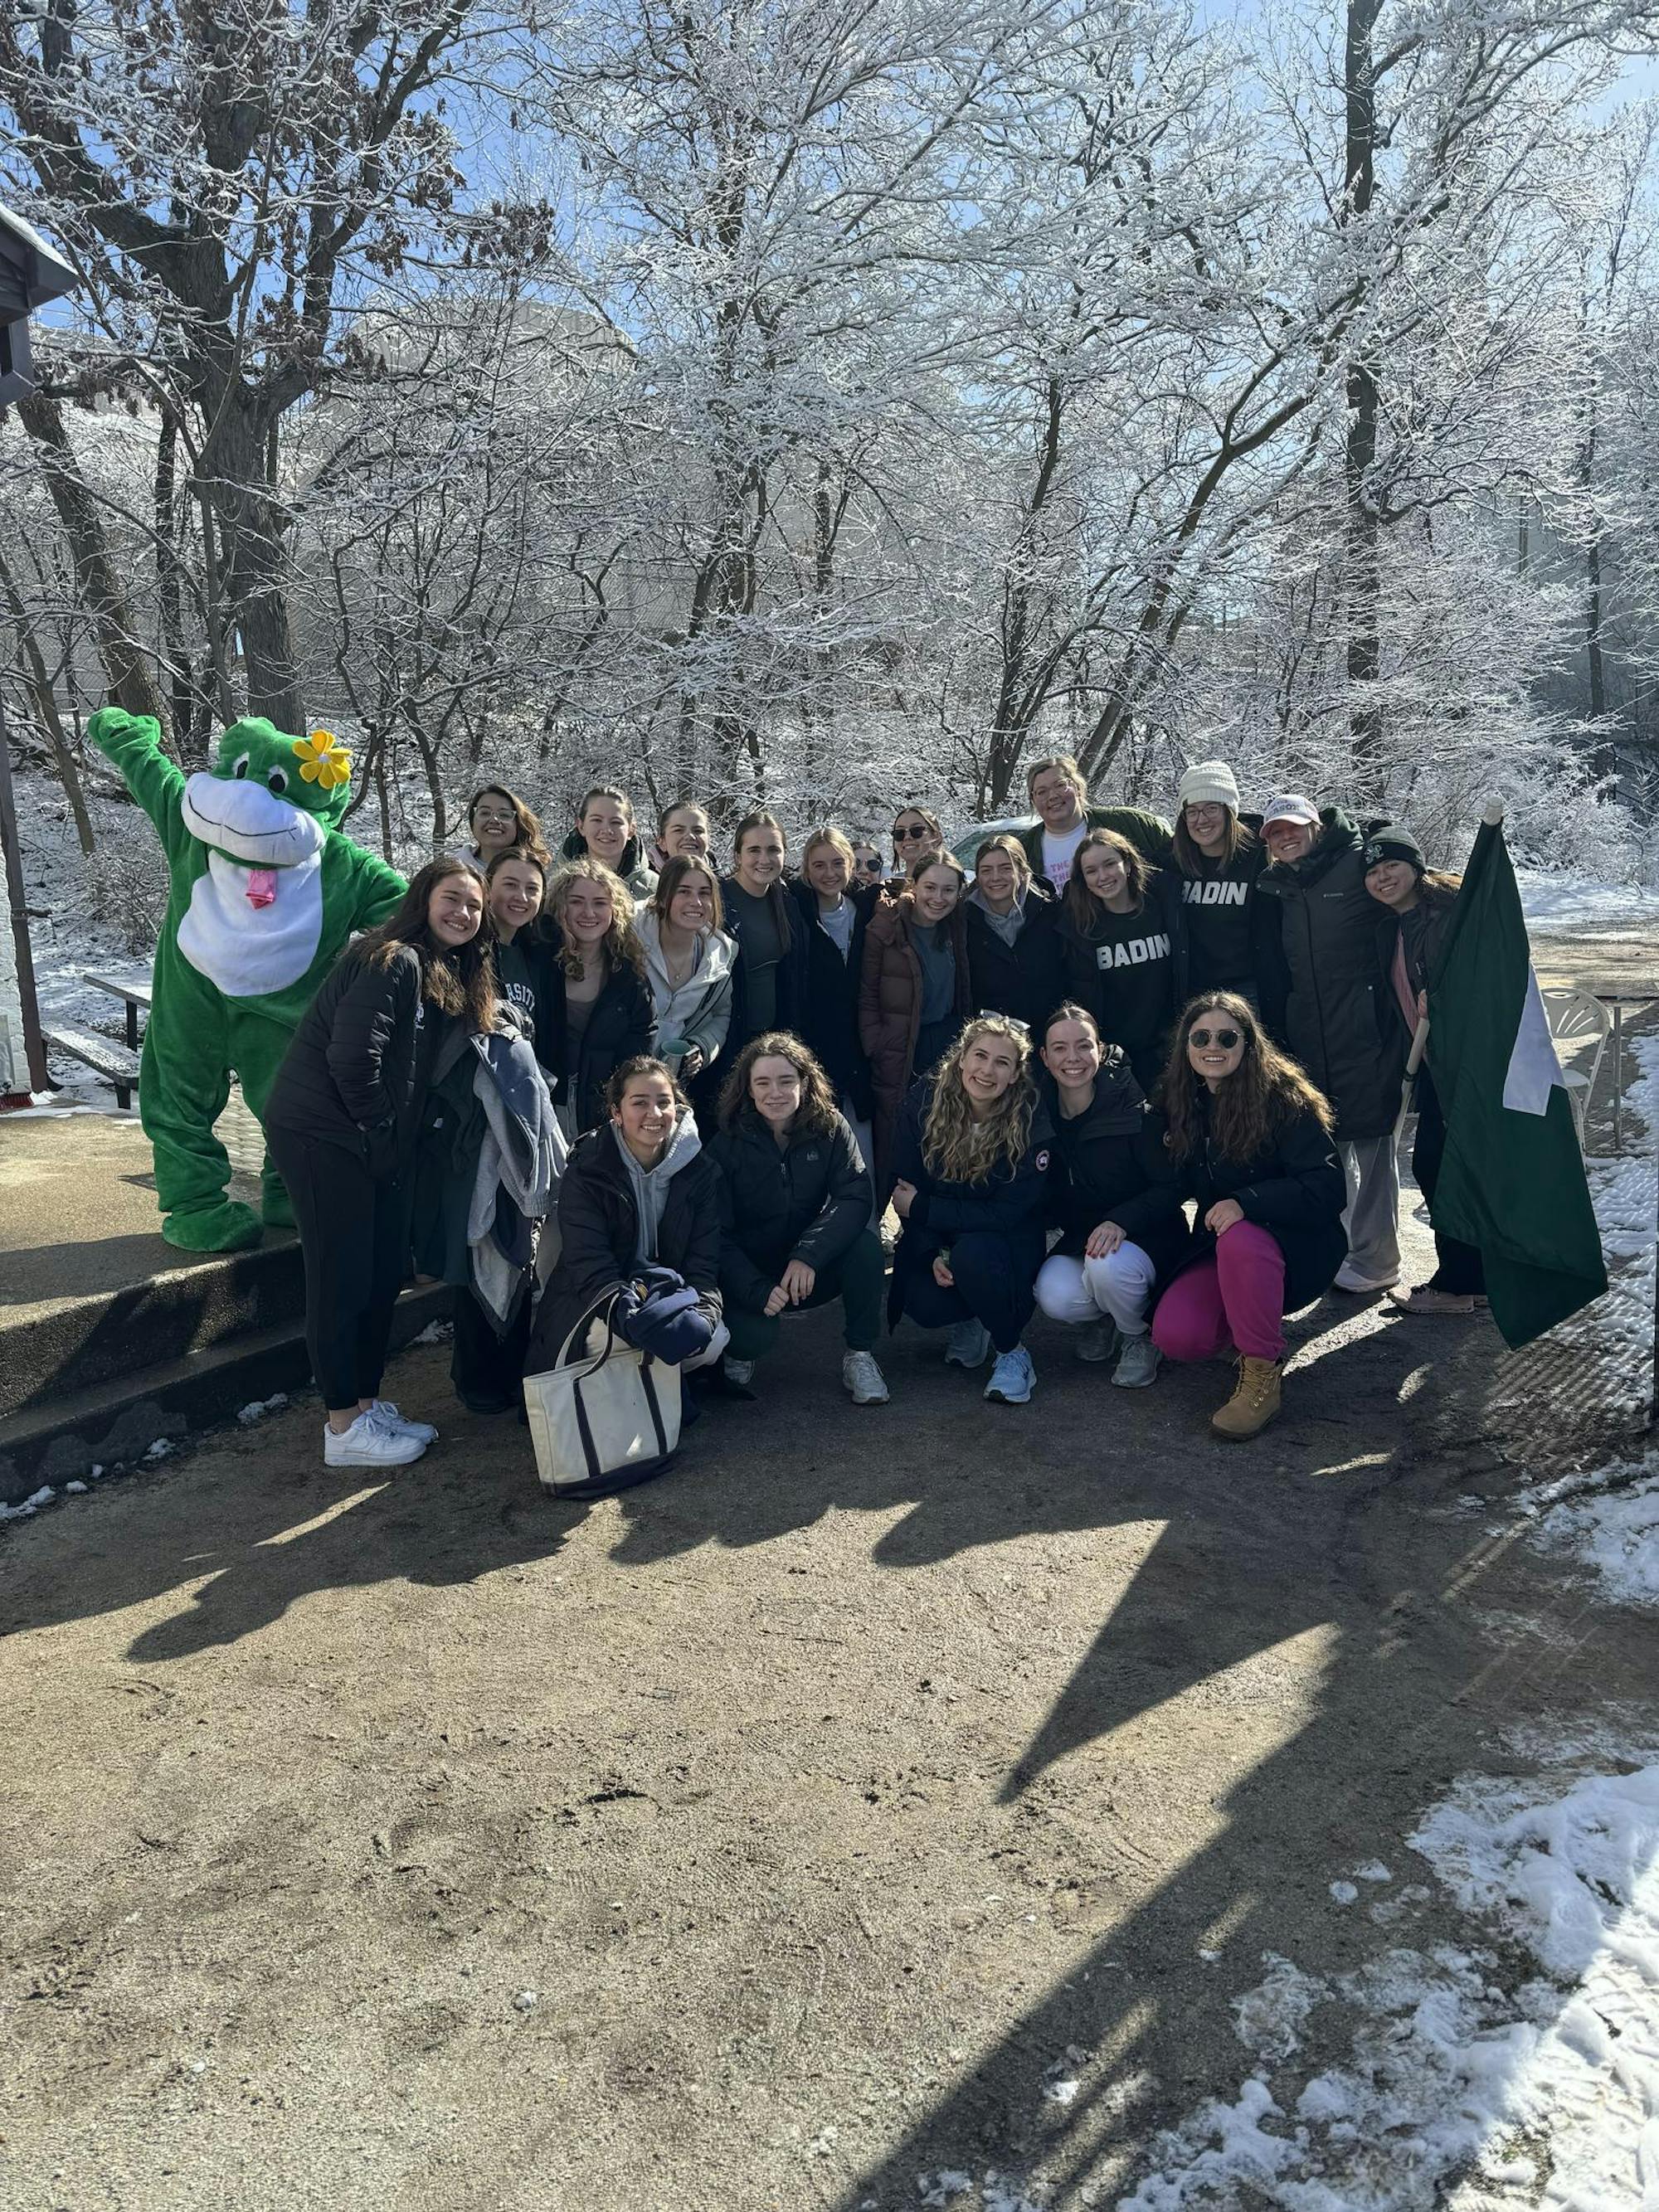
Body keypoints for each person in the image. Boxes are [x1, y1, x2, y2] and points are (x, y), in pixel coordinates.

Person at [265, 859, 495, 1467]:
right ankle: (342, 1428)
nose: (463, 913)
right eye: (453, 899)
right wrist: (381, 1131)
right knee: (340, 1277)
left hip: (367, 1141)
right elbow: (352, 1059)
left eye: (474, 905)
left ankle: (365, 1405)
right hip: (324, 1136)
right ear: (423, 898)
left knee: (375, 1275)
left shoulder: (437, 969)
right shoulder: (392, 958)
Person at [1150, 992, 1347, 1439]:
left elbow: (1328, 1187)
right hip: (1227, 1250)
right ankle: (1247, 1326)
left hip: (1298, 1248)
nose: (1212, 1046)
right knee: (1179, 1337)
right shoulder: (1183, 1101)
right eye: (1200, 1037)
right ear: (1186, 1047)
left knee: (1241, 1236)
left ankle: (1262, 1372)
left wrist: (1248, 1202)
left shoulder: (1285, 1100)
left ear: (1248, 1044)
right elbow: (1163, 1181)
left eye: (1226, 1036)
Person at [1258, 792, 1405, 1295]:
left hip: (1364, 1030)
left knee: (1373, 1140)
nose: (1285, 837)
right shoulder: (1281, 885)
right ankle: (1341, 1250)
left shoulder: (1354, 863)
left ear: (1317, 825)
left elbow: (1399, 869)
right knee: (1327, 1146)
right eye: (1275, 833)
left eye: (1293, 827)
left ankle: (1379, 1257)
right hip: (1310, 1033)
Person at [708, 1033, 888, 1404]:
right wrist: (753, 1288)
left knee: (866, 1248)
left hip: (807, 1269)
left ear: (804, 1083)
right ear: (749, 1089)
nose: (775, 1092)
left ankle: (860, 1355)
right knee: (754, 1337)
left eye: (786, 1080)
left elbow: (854, 1196)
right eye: (763, 1083)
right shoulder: (727, 1142)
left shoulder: (831, 1126)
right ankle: (739, 1354)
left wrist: (809, 1254)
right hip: (751, 1274)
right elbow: (715, 1233)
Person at [525, 1057, 726, 1386]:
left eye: (664, 1102)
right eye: (639, 1103)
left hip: (667, 1292)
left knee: (711, 1341)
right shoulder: (588, 1168)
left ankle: (657, 1391)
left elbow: (704, 1259)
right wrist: (631, 1318)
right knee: (612, 1342)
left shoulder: (700, 1171)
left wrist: (704, 1313)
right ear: (617, 1113)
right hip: (604, 1296)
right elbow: (588, 1263)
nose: (654, 1114)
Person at [888, 1015, 1053, 1404]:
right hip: (943, 1237)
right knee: (924, 1303)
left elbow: (1004, 1215)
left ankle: (1012, 1351)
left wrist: (926, 1209)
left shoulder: (1031, 1122)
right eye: (979, 1055)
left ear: (1015, 1074)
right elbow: (904, 1192)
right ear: (961, 1058)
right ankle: (974, 1316)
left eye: (1002, 1062)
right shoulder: (923, 1103)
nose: (987, 1070)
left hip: (1004, 1244)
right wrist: (929, 1253)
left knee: (974, 1255)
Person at [1363, 826, 1486, 1315]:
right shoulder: (1391, 927)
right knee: (1443, 1166)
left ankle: (1457, 1286)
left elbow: (1481, 976)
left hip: (1466, 1064)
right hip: (1434, 1064)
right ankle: (1472, 1279)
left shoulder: (1448, 915)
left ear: (1415, 864)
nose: (1383, 877)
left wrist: (1449, 1000)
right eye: (1372, 871)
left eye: (1391, 864)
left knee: (1436, 1166)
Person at [1034, 1002, 1188, 1386]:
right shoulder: (1039, 1115)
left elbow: (1174, 1187)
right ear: (1045, 1057)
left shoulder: (1135, 1111)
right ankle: (1108, 1320)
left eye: (1084, 1045)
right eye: (1060, 1048)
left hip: (1147, 1242)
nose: (1073, 1058)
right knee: (1051, 1292)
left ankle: (1140, 1335)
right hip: (1082, 1241)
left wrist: (1122, 1220)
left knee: (1107, 1265)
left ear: (1100, 1051)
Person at [860, 850, 972, 1199]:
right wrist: (875, 1044)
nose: (938, 899)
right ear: (914, 885)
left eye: (948, 890)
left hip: (946, 1041)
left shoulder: (956, 926)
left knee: (944, 1133)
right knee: (895, 1137)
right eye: (930, 887)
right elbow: (866, 995)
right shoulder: (887, 927)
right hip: (900, 1044)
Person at [1055, 829, 1185, 1090]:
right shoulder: (1078, 927)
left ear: (1126, 863)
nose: (1102, 876)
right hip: (1116, 1056)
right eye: (1091, 871)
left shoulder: (1163, 905)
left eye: (1109, 864)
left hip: (1170, 1047)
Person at [544, 859, 656, 1136]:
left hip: (601, 1106)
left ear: (614, 909)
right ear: (559, 906)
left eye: (600, 903)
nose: (589, 912)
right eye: (576, 901)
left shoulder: (629, 974)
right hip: (546, 1100)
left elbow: (641, 1042)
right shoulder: (540, 962)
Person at [1170, 761, 1287, 1023]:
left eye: (1211, 808)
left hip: (1249, 989)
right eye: (1192, 811)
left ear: (1229, 811)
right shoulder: (1172, 863)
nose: (1201, 820)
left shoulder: (1261, 856)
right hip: (1194, 990)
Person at [789, 827, 879, 1167]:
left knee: (862, 1137)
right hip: (816, 1037)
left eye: (837, 863)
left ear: (851, 864)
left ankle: (867, 1218)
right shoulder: (796, 913)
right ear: (807, 870)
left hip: (860, 1041)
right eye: (819, 865)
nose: (829, 873)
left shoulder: (867, 911)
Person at [635, 856, 737, 1088]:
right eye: (684, 892)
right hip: (618, 1071)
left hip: (671, 1084)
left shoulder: (719, 956)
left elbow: (721, 1015)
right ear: (663, 898)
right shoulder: (630, 940)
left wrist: (700, 1046)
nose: (696, 902)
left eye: (704, 893)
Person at [1017, 753, 1173, 892]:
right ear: (1033, 801)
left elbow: (1184, 855)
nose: (1052, 796)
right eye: (1041, 791)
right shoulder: (1023, 849)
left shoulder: (1130, 824)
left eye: (1060, 785)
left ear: (1077, 787)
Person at [721, 809, 806, 1054]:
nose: (764, 859)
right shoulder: (717, 900)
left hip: (773, 1038)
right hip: (729, 1038)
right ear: (738, 856)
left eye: (773, 850)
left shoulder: (787, 901)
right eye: (754, 850)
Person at [964, 833, 1064, 1033]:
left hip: (1053, 1034)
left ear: (1022, 871)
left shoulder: (1051, 912)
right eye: (986, 870)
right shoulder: (965, 922)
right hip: (996, 1041)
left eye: (1005, 868)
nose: (995, 877)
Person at [483, 846, 563, 1079]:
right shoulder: (470, 954)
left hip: (527, 1086)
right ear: (487, 887)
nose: (522, 897)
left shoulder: (539, 954)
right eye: (510, 885)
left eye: (532, 889)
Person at [562, 785, 658, 900]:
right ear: (581, 826)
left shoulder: (655, 889)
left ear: (631, 830)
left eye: (616, 822)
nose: (607, 830)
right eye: (597, 820)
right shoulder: (553, 886)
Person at [464, 784, 547, 872]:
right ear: (473, 821)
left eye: (504, 815)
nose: (494, 820)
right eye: (485, 813)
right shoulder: (453, 869)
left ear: (518, 824)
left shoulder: (533, 872)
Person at [651, 800, 713, 872]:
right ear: (662, 842)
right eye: (679, 830)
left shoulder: (719, 882)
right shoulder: (645, 882)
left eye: (698, 831)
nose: (690, 836)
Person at [889, 803, 945, 881]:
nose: (907, 837)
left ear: (936, 837)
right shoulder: (888, 888)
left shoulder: (954, 883)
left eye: (916, 830)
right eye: (900, 833)